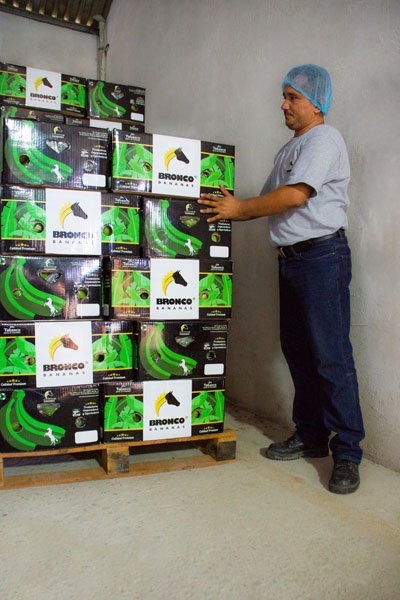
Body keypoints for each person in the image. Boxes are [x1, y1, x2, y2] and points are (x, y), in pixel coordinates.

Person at [198, 64, 364, 494]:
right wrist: (227, 203)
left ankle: (348, 453)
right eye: (284, 96)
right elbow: (267, 200)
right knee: (300, 354)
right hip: (293, 260)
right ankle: (311, 435)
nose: (284, 104)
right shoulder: (292, 148)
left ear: (317, 103)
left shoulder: (324, 139)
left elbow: (293, 196)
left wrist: (239, 209)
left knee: (330, 357)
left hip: (321, 256)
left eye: (293, 97)